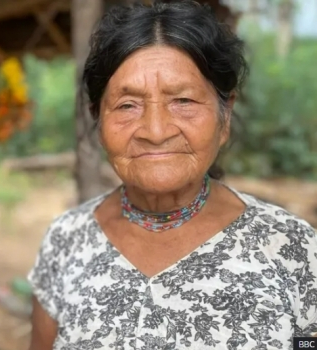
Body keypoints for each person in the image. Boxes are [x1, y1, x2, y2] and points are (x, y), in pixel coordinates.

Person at [27, 1, 317, 349]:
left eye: (183, 100)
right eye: (127, 105)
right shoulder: (66, 241)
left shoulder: (292, 248)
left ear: (225, 117)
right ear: (98, 120)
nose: (155, 130)